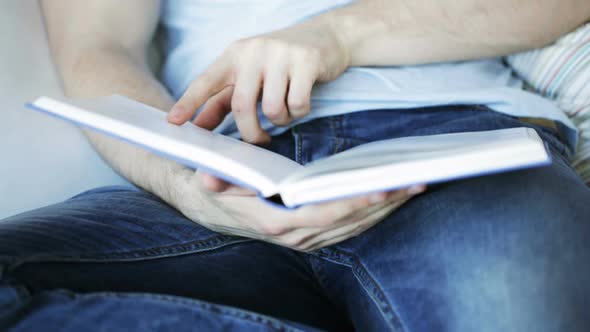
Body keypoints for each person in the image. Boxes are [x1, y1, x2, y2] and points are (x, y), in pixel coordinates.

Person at [1, 0, 589, 331]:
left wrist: (336, 35)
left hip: (455, 143)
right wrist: (184, 181)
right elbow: (97, 53)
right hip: (224, 179)